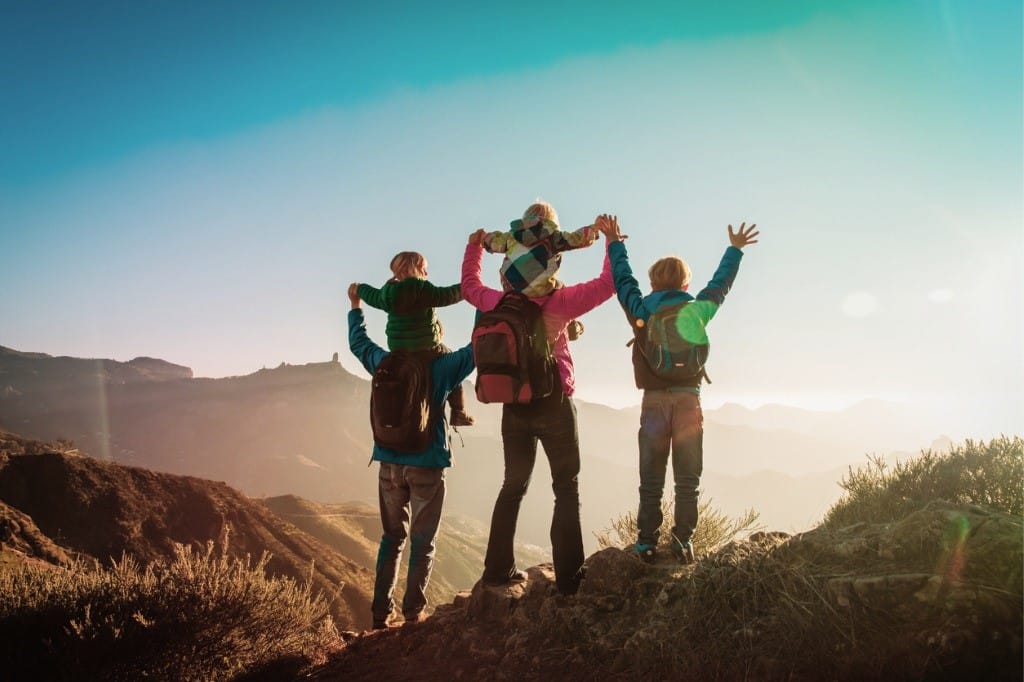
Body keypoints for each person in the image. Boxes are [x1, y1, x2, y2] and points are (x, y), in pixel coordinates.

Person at [462, 213, 615, 596]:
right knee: (566, 487)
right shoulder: (560, 302)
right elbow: (608, 284)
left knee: (512, 486)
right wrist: (612, 241)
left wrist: (474, 246)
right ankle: (568, 580)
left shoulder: (496, 301)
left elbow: (469, 286)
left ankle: (497, 571)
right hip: (553, 404)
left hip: (513, 405)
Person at [597, 216, 759, 564]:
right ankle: (683, 542)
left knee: (650, 480)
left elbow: (624, 281)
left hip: (653, 403)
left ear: (653, 281)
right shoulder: (696, 310)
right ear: (686, 282)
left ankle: (645, 543)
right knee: (687, 480)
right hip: (688, 401)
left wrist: (614, 242)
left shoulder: (641, 310)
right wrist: (735, 250)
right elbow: (720, 285)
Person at [347, 282, 475, 628]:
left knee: (391, 540)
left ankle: (379, 616)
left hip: (389, 464)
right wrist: (484, 303)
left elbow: (358, 343)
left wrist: (356, 307)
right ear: (430, 324)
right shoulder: (442, 366)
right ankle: (413, 613)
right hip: (427, 464)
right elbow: (475, 350)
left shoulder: (383, 362)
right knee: (423, 542)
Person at [356, 251, 474, 426]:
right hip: (427, 349)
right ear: (417, 268)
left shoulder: (386, 294)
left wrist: (359, 288)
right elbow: (447, 295)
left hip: (398, 350)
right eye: (425, 269)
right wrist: (470, 287)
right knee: (452, 365)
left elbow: (371, 296)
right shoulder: (423, 289)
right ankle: (458, 412)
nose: (426, 274)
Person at [482, 201, 598, 298]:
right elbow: (576, 239)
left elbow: (494, 242)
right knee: (560, 288)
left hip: (510, 288)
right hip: (540, 290)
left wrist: (484, 238)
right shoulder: (553, 236)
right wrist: (594, 229)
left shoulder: (511, 236)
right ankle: (570, 323)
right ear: (552, 221)